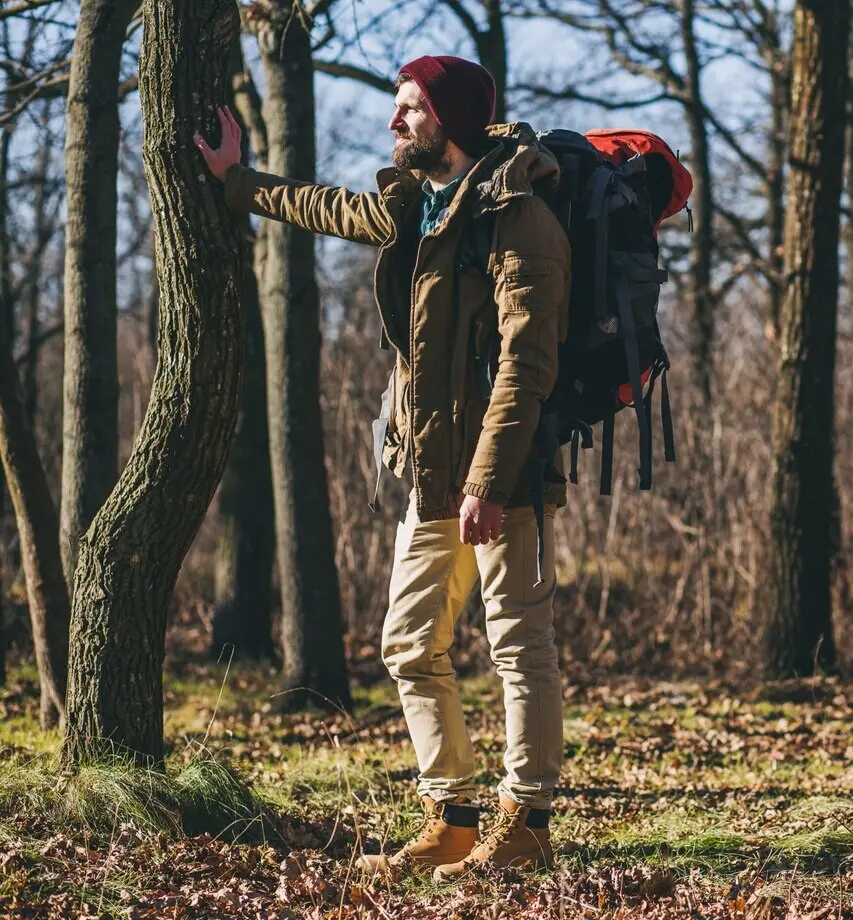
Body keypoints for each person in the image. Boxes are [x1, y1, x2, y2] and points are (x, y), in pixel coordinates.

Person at [195, 56, 570, 879]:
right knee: (408, 644)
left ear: (451, 120)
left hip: (505, 476)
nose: (395, 121)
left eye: (411, 108)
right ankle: (453, 815)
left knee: (517, 643)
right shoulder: (417, 206)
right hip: (432, 472)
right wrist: (238, 180)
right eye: (398, 107)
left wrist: (487, 482)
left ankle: (529, 820)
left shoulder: (519, 216)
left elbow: (526, 367)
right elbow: (327, 206)